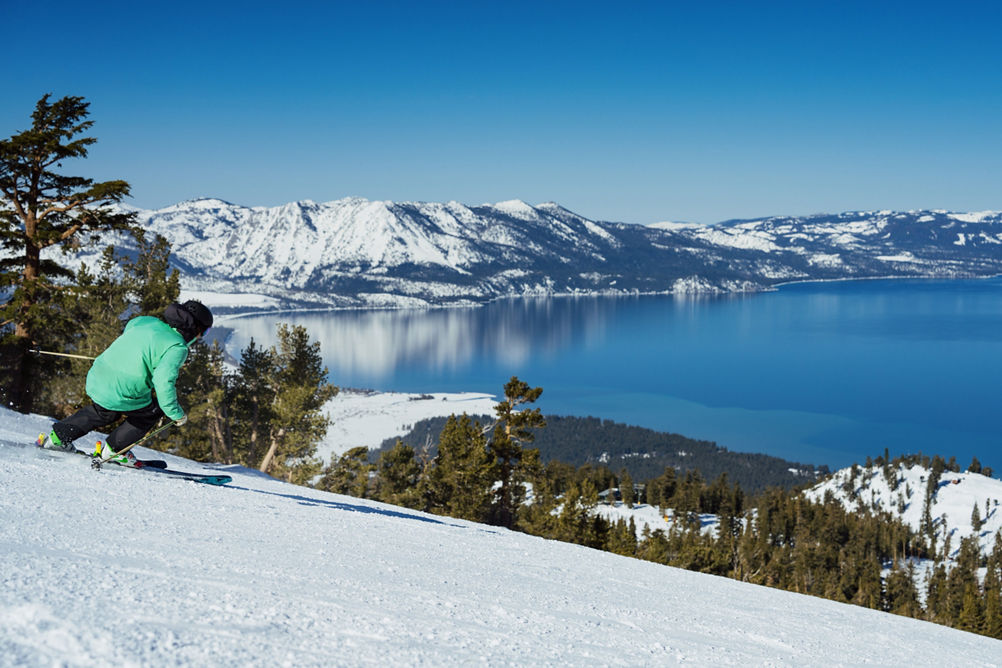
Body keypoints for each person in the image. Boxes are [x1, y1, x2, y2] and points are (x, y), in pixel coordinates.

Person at [36, 300, 213, 466]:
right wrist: (176, 414)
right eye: (204, 332)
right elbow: (163, 383)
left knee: (103, 412)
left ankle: (57, 438)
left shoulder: (146, 321)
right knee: (151, 412)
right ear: (195, 328)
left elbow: (130, 329)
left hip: (99, 375)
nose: (202, 336)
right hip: (124, 390)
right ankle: (115, 451)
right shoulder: (177, 348)